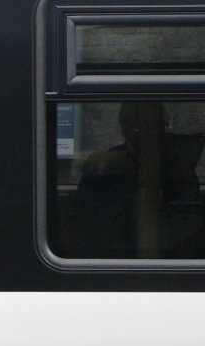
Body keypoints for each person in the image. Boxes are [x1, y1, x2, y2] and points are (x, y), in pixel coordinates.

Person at [75, 102, 204, 257]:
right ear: (125, 128)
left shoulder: (177, 164)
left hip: (172, 255)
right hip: (117, 257)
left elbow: (189, 216)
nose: (148, 133)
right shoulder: (104, 165)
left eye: (155, 126)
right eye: (140, 126)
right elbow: (88, 222)